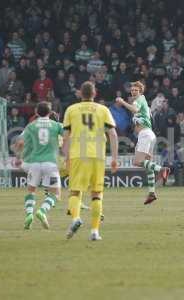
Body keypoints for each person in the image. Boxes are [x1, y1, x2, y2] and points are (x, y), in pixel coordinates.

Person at [62, 81, 118, 241]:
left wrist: (66, 157)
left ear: (80, 93)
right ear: (95, 93)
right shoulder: (103, 110)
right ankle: (94, 231)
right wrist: (114, 158)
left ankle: (75, 219)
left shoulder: (71, 110)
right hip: (98, 156)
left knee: (74, 191)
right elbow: (113, 134)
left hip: (78, 154)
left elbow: (65, 136)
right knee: (96, 194)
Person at [115, 81, 170, 204]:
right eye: (132, 90)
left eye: (136, 90)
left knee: (137, 161)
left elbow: (134, 109)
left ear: (140, 92)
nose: (133, 91)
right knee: (147, 165)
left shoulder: (138, 100)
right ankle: (151, 193)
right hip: (149, 134)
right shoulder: (143, 101)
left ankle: (162, 169)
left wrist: (123, 102)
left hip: (145, 134)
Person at [20, 102, 64, 230]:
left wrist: (20, 157)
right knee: (56, 194)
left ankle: (29, 214)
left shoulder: (31, 126)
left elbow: (20, 142)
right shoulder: (56, 125)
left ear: (36, 112)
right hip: (50, 163)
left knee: (31, 190)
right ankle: (42, 211)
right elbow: (68, 135)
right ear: (50, 113)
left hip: (34, 162)